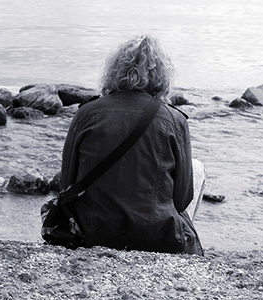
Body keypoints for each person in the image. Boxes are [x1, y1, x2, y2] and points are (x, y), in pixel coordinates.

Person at [60, 35, 205, 255]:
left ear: (114, 71)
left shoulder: (86, 113)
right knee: (196, 168)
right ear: (162, 77)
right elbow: (182, 198)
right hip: (155, 237)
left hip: (92, 233)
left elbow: (66, 184)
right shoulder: (174, 119)